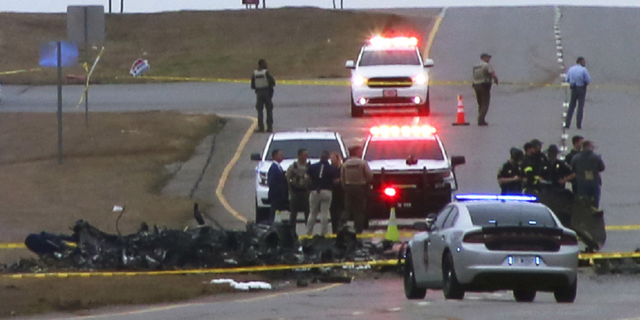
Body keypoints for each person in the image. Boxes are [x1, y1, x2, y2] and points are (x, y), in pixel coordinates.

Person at [305, 151, 340, 236]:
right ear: (328, 158)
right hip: (327, 191)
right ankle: (324, 233)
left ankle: (308, 232)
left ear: (320, 157)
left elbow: (306, 178)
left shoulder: (312, 167)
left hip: (314, 190)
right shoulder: (332, 168)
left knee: (313, 212)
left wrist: (309, 186)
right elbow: (336, 181)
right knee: (325, 212)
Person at [340, 146, 373, 234]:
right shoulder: (362, 163)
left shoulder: (345, 164)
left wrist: (345, 186)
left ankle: (341, 224)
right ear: (356, 152)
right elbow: (369, 175)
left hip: (348, 187)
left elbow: (342, 177)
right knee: (359, 209)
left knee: (347, 208)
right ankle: (358, 229)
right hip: (360, 187)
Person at [571, 140, 605, 207]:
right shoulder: (596, 157)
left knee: (582, 202)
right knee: (595, 202)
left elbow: (573, 168)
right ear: (589, 147)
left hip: (581, 182)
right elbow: (602, 168)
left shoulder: (576, 157)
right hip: (594, 182)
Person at [472, 53, 499, 126]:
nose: (489, 59)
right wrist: (496, 80)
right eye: (488, 58)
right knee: (485, 104)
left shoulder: (476, 66)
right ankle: (481, 120)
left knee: (480, 103)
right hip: (484, 85)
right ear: (483, 58)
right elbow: (492, 73)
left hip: (476, 85)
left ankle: (481, 119)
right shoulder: (486, 65)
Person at [564, 57, 591, 129]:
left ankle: (567, 123)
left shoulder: (571, 69)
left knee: (571, 106)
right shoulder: (583, 70)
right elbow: (588, 80)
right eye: (584, 62)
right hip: (581, 88)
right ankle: (578, 124)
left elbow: (567, 79)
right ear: (581, 62)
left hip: (573, 88)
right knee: (580, 107)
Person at [250, 59, 276, 133]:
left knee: (260, 111)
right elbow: (273, 82)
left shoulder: (254, 74)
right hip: (267, 93)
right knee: (269, 110)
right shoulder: (266, 73)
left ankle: (261, 127)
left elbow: (252, 86)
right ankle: (269, 127)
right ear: (262, 64)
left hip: (259, 93)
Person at [286, 148, 310, 226]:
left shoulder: (309, 166)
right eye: (304, 155)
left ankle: (308, 232)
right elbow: (287, 177)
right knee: (293, 213)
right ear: (299, 156)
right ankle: (292, 232)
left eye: (306, 155)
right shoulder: (293, 166)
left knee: (307, 212)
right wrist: (290, 188)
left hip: (306, 192)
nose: (306, 157)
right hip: (295, 192)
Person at [267, 149, 288, 223]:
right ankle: (271, 224)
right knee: (273, 211)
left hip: (279, 195)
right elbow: (272, 182)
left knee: (276, 211)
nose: (282, 157)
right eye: (280, 155)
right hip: (276, 195)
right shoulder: (274, 168)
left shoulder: (278, 167)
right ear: (275, 156)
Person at [329, 151, 345, 234]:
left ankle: (341, 229)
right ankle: (334, 230)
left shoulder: (342, 168)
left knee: (341, 212)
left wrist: (340, 181)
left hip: (341, 192)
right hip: (332, 193)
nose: (332, 161)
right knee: (333, 213)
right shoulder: (330, 169)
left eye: (333, 159)